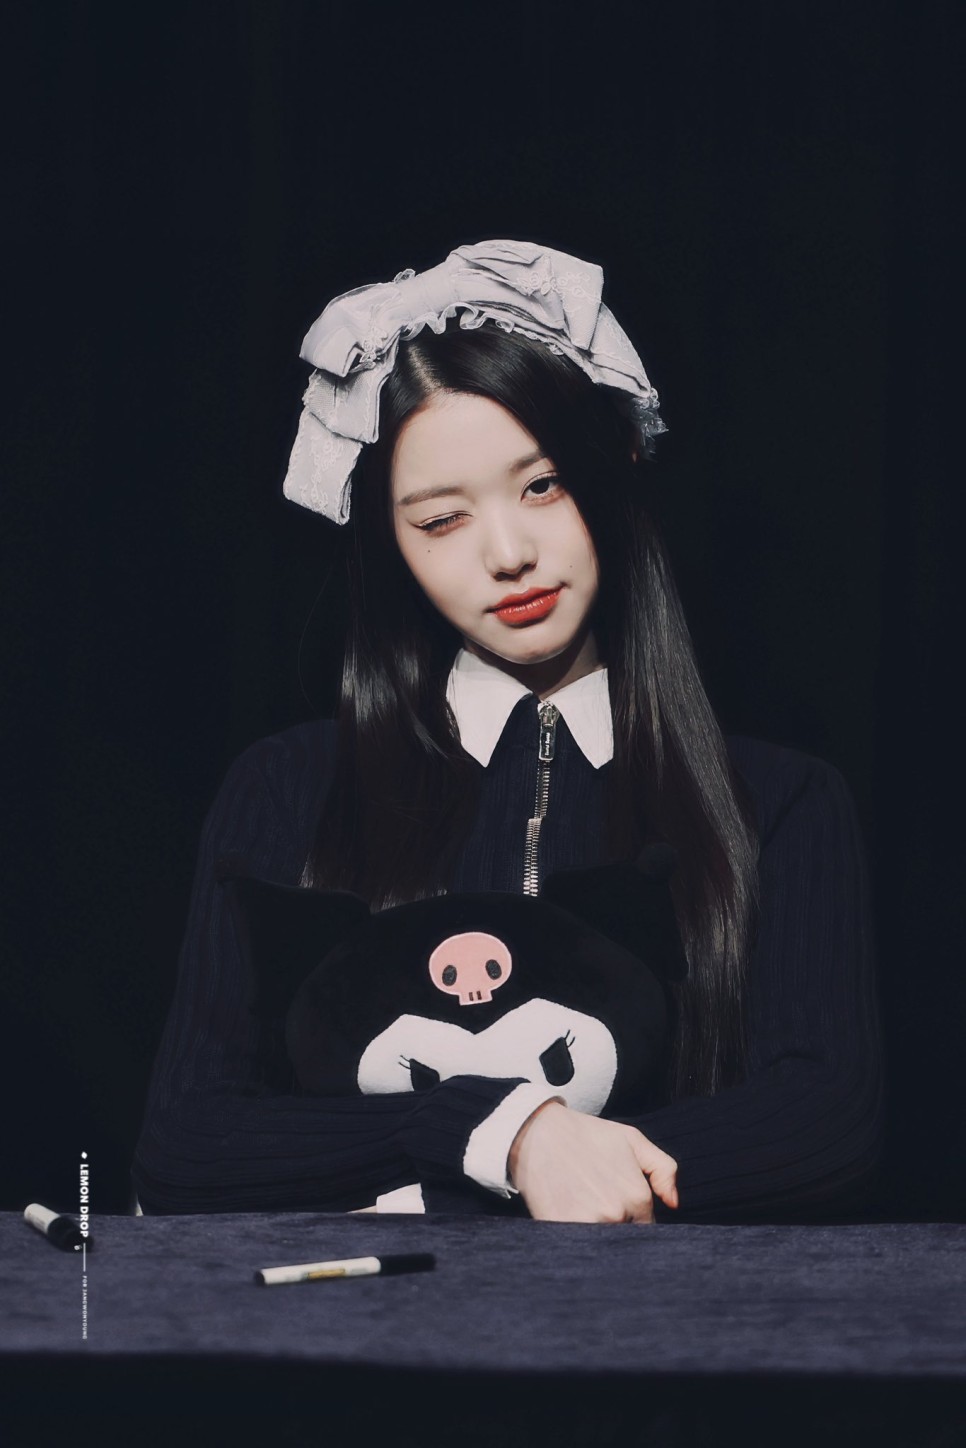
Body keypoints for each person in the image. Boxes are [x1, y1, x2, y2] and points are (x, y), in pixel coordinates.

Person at [132, 239, 885, 1224]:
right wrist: (497, 1133)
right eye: (441, 520)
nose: (508, 553)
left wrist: (567, 1164)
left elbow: (828, 1119)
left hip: (665, 1322)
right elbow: (187, 1141)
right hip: (367, 1319)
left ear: (612, 466)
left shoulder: (782, 801)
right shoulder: (288, 786)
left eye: (542, 485)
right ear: (390, 541)